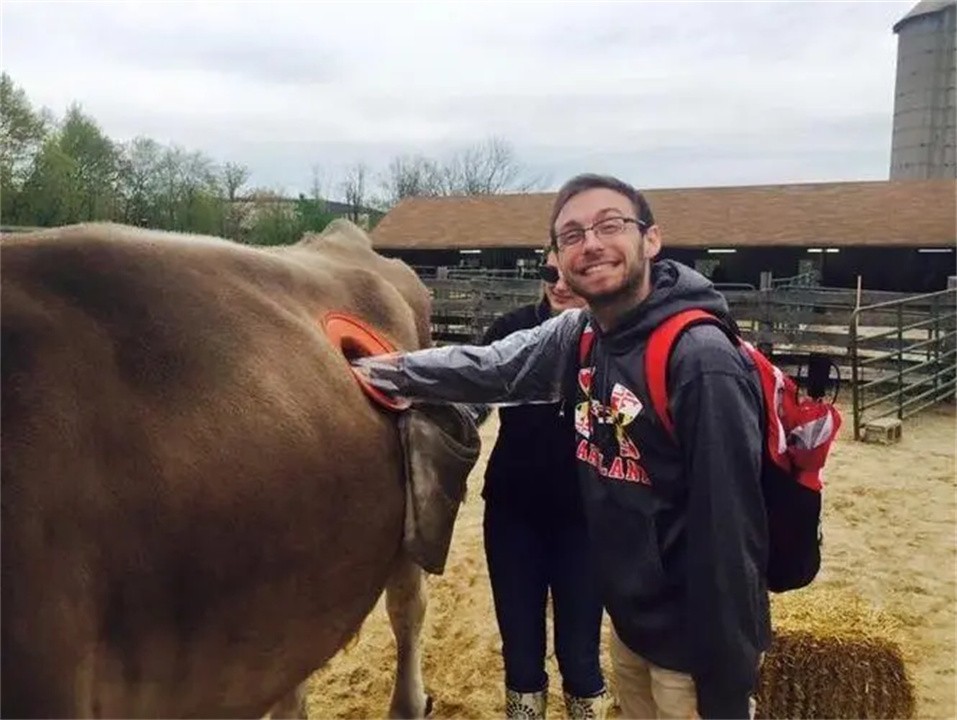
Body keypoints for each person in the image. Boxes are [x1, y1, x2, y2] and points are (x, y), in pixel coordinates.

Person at [354, 174, 770, 720]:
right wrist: (384, 371)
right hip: (633, 630)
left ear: (651, 239)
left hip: (693, 651)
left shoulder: (699, 360)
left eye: (609, 225)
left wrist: (725, 685)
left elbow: (731, 535)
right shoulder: (585, 332)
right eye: (571, 236)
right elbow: (492, 366)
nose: (590, 244)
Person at [476, 247, 609, 719]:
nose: (559, 284)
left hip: (585, 519)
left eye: (570, 274)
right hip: (514, 512)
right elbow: (471, 399)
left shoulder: (611, 339)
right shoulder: (511, 331)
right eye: (550, 272)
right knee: (520, 654)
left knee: (580, 652)